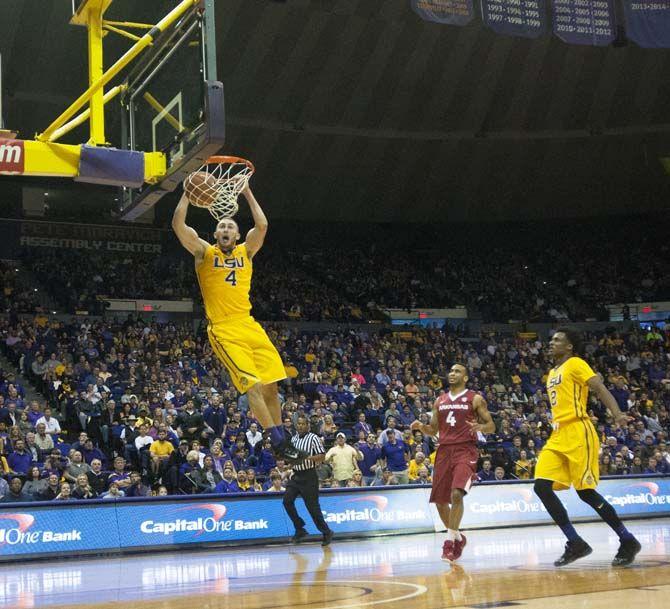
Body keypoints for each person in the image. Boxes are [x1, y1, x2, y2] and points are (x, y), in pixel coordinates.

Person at [172, 179, 303, 462]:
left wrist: (246, 192)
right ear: (215, 233)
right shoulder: (204, 252)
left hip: (249, 324)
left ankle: (282, 434)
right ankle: (278, 441)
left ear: (238, 233)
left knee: (271, 384)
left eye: (230, 226)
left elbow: (263, 225)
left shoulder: (247, 251)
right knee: (252, 386)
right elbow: (179, 226)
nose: (226, 229)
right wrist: (187, 193)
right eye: (221, 226)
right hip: (223, 329)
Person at [533, 328, 641, 567]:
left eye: (557, 339)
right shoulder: (552, 372)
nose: (551, 342)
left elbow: (599, 388)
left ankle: (627, 539)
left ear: (570, 346)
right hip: (558, 434)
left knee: (585, 493)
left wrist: (617, 414)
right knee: (541, 486)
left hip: (579, 431)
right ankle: (575, 542)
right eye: (551, 339)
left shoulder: (576, 363)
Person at [411, 364, 495, 562]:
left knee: (456, 493)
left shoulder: (475, 398)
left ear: (465, 377)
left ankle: (449, 542)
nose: (452, 373)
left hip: (466, 449)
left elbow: (492, 426)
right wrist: (420, 427)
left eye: (457, 371)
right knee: (440, 501)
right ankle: (458, 536)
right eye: (451, 371)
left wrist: (480, 426)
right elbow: (433, 431)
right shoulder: (439, 400)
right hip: (444, 450)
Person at [283, 415, 333, 546]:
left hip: (309, 476)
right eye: (298, 424)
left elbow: (322, 456)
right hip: (296, 475)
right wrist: (289, 463)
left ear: (308, 426)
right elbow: (291, 457)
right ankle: (299, 528)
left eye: (303, 424)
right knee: (287, 501)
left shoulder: (313, 438)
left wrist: (307, 458)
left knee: (313, 508)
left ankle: (326, 531)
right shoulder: (293, 439)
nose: (300, 426)